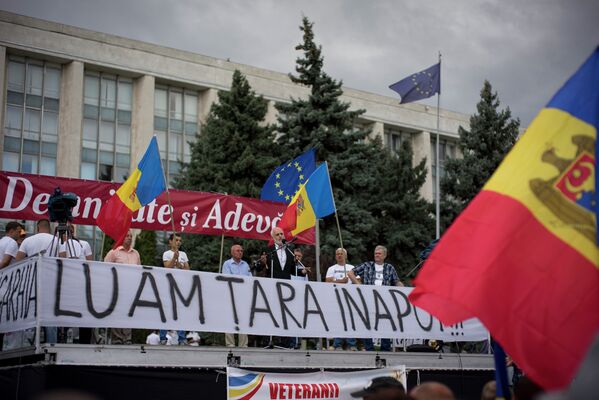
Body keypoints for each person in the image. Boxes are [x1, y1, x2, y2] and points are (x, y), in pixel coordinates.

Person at [348, 245, 403, 352]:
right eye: (375, 253)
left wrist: (404, 290)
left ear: (384, 255)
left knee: (386, 324)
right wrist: (358, 284)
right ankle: (369, 349)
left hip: (384, 301)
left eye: (379, 253)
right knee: (366, 323)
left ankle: (385, 349)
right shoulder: (367, 265)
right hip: (368, 300)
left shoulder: (389, 267)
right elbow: (350, 273)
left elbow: (396, 281)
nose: (376, 255)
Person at [15, 219, 60, 344]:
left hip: (31, 282)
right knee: (50, 317)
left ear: (37, 228)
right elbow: (64, 259)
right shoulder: (57, 240)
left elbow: (18, 261)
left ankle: (28, 345)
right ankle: (51, 345)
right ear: (49, 228)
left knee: (30, 314)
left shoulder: (28, 241)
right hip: (51, 283)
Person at [104, 230, 140, 344]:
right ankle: (117, 339)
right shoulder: (114, 252)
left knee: (129, 313)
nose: (129, 238)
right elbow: (104, 268)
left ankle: (127, 338)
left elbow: (139, 270)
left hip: (131, 289)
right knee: (117, 313)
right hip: (117, 288)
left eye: (130, 236)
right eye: (126, 236)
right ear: (121, 238)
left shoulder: (136, 254)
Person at [160, 233, 189, 345]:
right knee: (166, 310)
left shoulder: (183, 254)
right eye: (176, 240)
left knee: (181, 311)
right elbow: (167, 267)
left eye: (180, 240)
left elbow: (187, 269)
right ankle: (163, 337)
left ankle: (181, 338)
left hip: (181, 285)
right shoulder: (166, 254)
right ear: (170, 242)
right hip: (169, 285)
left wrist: (180, 264)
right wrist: (174, 259)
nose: (178, 242)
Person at [326, 248, 358, 351]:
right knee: (338, 321)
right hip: (336, 298)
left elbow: (358, 281)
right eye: (337, 254)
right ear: (335, 256)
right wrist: (341, 281)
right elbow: (327, 281)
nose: (339, 255)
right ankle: (337, 344)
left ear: (345, 256)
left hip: (350, 297)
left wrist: (349, 279)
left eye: (341, 254)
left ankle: (351, 344)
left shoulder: (352, 268)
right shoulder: (331, 268)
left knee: (350, 320)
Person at [222, 244, 251, 348]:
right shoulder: (227, 264)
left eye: (241, 251)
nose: (240, 252)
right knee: (230, 320)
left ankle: (243, 345)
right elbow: (227, 279)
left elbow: (250, 279)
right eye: (238, 250)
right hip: (231, 295)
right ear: (232, 252)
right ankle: (230, 344)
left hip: (243, 296)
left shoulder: (246, 264)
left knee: (243, 320)